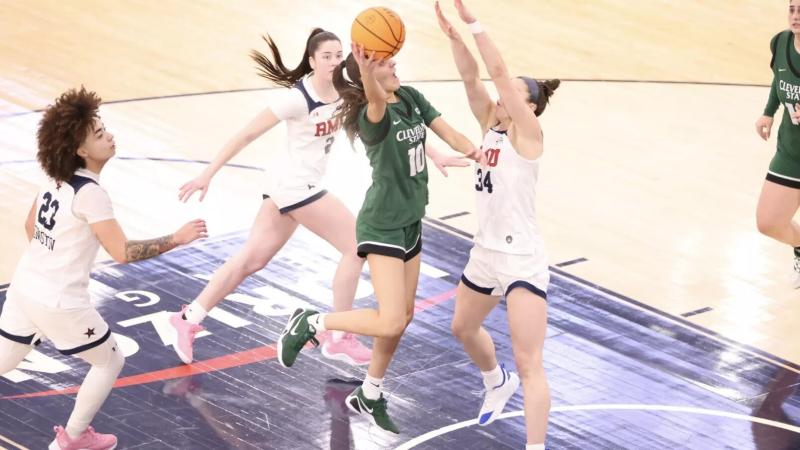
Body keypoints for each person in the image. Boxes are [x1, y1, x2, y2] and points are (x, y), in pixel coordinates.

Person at [275, 40, 485, 434]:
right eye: (385, 63)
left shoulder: (409, 97)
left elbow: (449, 132)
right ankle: (312, 321)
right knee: (388, 321)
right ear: (369, 76)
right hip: (383, 224)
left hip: (411, 220)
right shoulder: (372, 117)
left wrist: (479, 151)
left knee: (402, 318)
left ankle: (370, 393)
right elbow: (372, 94)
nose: (393, 65)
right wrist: (366, 66)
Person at [0, 87, 207, 450]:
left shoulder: (54, 176)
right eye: (98, 134)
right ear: (81, 150)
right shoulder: (91, 194)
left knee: (3, 360)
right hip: (60, 302)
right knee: (110, 361)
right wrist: (176, 238)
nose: (109, 135)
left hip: (24, 286)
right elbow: (123, 253)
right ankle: (74, 439)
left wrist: (52, 259)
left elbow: (30, 225)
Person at [436, 2, 560, 448]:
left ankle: (535, 446)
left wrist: (474, 24)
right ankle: (495, 380)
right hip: (485, 252)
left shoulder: (528, 135)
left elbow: (497, 71)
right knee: (462, 329)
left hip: (521, 259)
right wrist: (454, 38)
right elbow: (473, 78)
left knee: (530, 361)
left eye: (513, 94)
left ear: (528, 106)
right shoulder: (492, 124)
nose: (503, 96)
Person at [755, 0, 800, 287]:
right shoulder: (781, 42)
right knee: (768, 222)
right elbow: (779, 77)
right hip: (791, 153)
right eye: (792, 9)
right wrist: (769, 111)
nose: (795, 17)